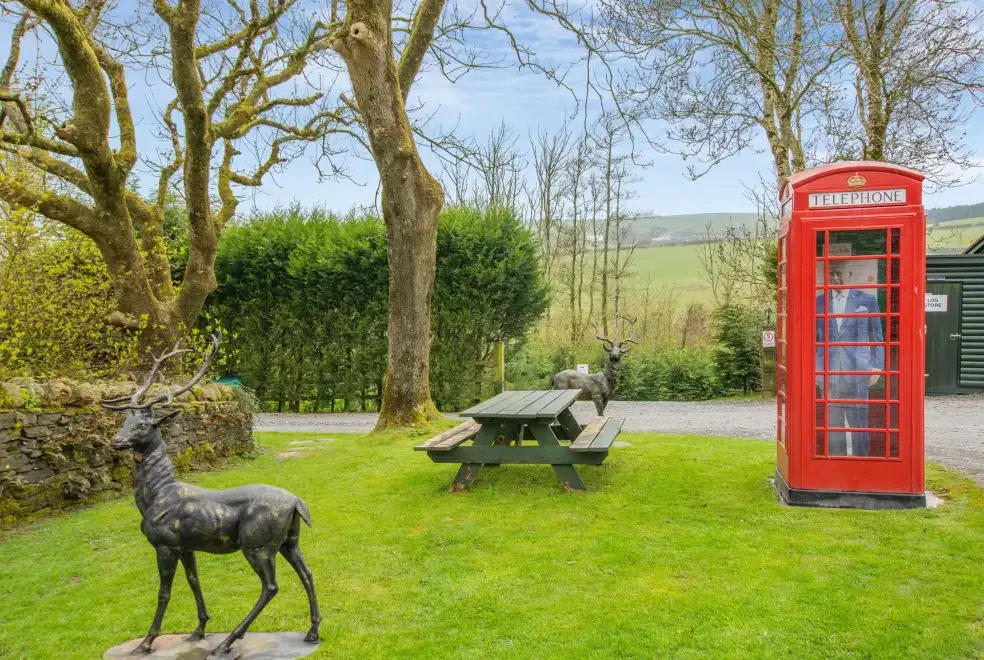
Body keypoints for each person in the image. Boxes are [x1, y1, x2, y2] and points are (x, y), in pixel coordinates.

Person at [816, 261, 884, 456]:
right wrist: (815, 368)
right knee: (832, 423)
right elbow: (812, 338)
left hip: (858, 370)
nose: (836, 279)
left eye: (840, 274)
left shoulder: (867, 300)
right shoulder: (819, 302)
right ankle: (834, 464)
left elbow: (877, 335)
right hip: (828, 371)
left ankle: (863, 464)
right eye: (832, 274)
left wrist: (877, 366)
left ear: (851, 275)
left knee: (859, 423)